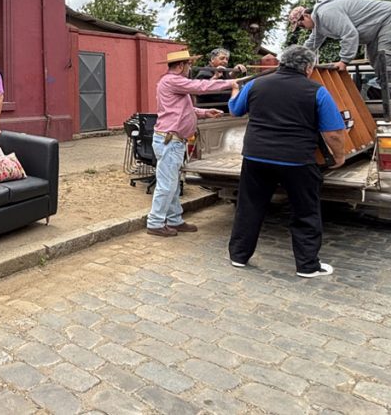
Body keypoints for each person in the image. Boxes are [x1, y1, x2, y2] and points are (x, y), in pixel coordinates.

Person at [227, 45, 346, 277]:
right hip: (297, 161)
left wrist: (233, 93)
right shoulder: (317, 91)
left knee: (249, 207)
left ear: (282, 62)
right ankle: (307, 266)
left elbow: (235, 110)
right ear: (309, 68)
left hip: (256, 157)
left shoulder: (255, 84)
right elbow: (333, 132)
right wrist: (339, 157)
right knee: (305, 212)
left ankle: (239, 256)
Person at [146, 49, 235, 237]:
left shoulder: (172, 82)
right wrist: (229, 83)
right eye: (188, 65)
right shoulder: (173, 80)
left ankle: (174, 220)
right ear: (180, 66)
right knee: (167, 184)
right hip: (170, 140)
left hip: (172, 140)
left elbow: (184, 108)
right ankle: (155, 222)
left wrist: (203, 112)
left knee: (172, 183)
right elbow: (200, 87)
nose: (190, 68)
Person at [289, 0, 391, 99]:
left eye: (301, 25)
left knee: (387, 62)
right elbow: (311, 44)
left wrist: (344, 61)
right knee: (377, 63)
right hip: (379, 29)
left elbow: (350, 34)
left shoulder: (326, 13)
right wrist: (291, 60)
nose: (303, 29)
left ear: (306, 15)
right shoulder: (319, 25)